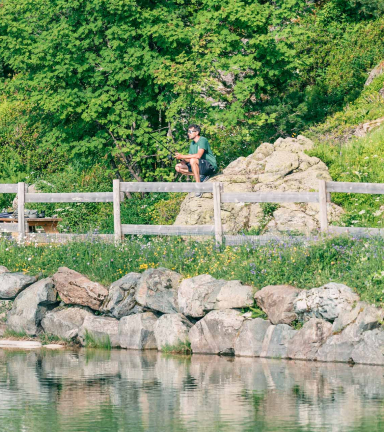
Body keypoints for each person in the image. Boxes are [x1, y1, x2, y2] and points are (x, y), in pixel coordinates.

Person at [175, 125, 218, 197]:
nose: (188, 133)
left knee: (193, 161)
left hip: (210, 166)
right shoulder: (192, 143)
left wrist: (183, 156)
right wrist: (182, 159)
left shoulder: (202, 140)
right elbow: (189, 158)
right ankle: (202, 176)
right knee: (178, 167)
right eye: (188, 132)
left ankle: (199, 186)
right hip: (199, 165)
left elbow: (198, 156)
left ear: (197, 132)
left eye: (190, 131)